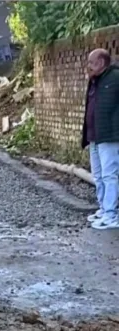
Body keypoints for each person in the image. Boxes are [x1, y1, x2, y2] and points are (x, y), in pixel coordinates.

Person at [82, 48, 119, 230]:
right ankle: (104, 208)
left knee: (109, 174)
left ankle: (112, 214)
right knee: (98, 174)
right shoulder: (95, 80)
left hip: (109, 135)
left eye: (92, 62)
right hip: (94, 136)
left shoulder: (115, 78)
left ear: (102, 62)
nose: (89, 66)